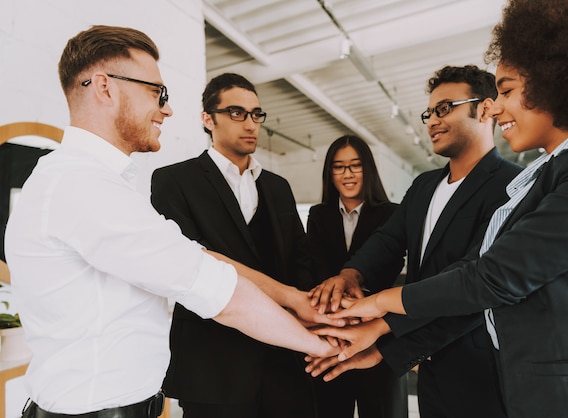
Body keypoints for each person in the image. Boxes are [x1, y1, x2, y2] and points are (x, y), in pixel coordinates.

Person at [4, 25, 339, 418]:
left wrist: (294, 298)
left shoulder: (95, 182)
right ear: (104, 87)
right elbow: (216, 290)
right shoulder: (82, 187)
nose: (167, 108)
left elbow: (196, 257)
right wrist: (327, 347)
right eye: (156, 92)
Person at [313, 1, 568, 417]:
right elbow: (461, 262)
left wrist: (380, 306)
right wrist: (359, 286)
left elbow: (492, 277)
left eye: (508, 91)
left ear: (559, 79)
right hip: (526, 383)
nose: (498, 107)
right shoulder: (536, 177)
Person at [308, 65, 521, 418]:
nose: (431, 121)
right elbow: (388, 241)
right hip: (430, 372)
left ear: (485, 109)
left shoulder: (511, 186)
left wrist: (383, 330)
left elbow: (473, 285)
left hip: (480, 369)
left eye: (444, 108)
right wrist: (350, 275)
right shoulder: (424, 185)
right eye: (429, 113)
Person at [150, 72, 320, 418]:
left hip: (284, 357)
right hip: (213, 363)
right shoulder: (173, 180)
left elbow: (300, 260)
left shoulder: (278, 187)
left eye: (256, 114)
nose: (250, 123)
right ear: (208, 119)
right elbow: (190, 264)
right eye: (237, 113)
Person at [306, 135, 408, 418]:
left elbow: (388, 264)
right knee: (329, 406)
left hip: (378, 333)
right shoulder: (318, 214)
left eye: (355, 165)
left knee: (382, 409)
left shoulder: (392, 214)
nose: (347, 174)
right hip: (331, 331)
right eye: (338, 167)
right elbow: (316, 265)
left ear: (368, 169)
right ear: (330, 173)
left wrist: (357, 304)